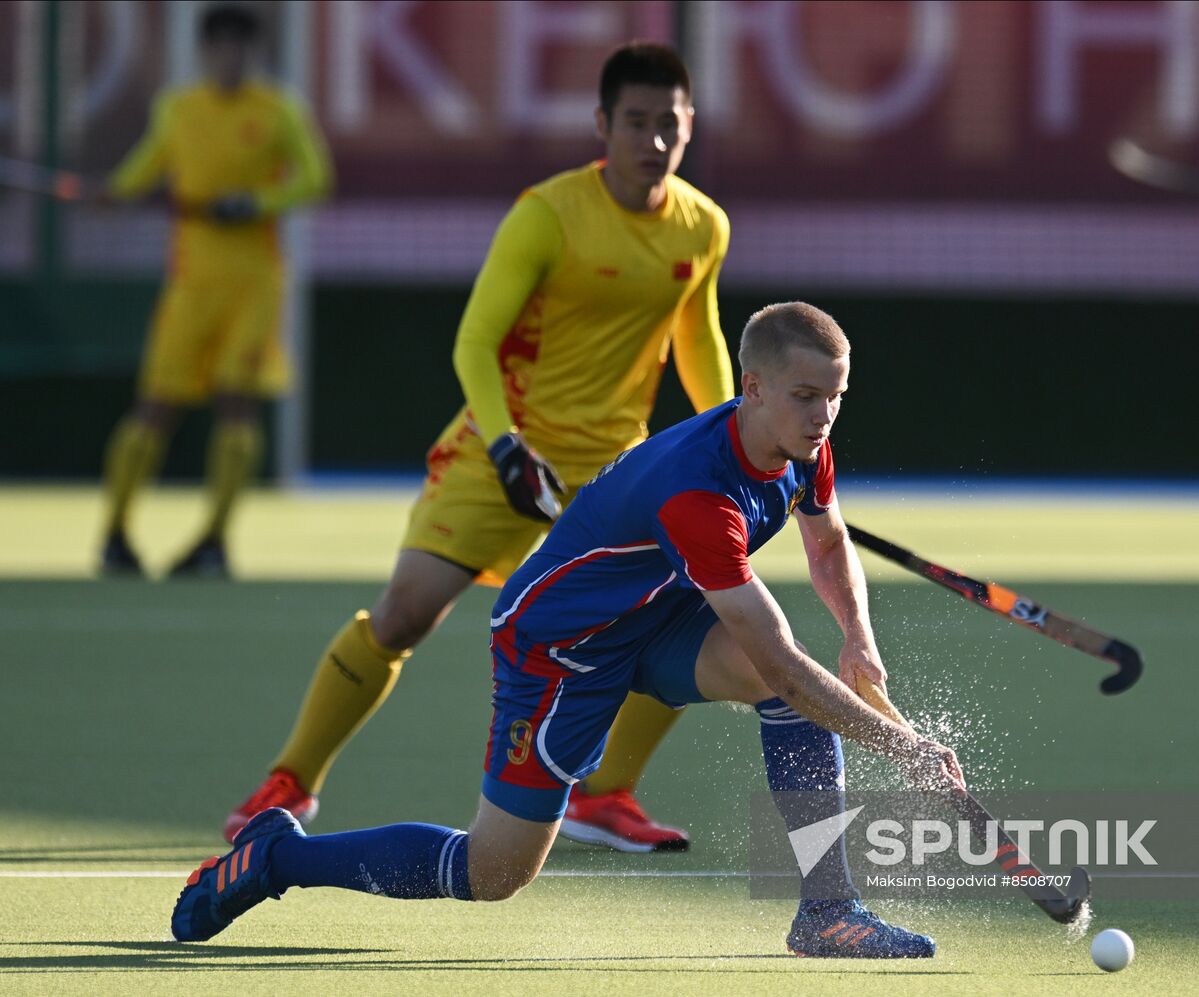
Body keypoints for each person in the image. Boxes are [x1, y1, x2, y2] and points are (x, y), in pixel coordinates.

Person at [172, 302, 965, 958]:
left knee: (769, 678)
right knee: (494, 869)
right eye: (805, 395)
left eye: (836, 395)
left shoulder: (800, 445)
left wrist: (859, 636)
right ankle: (279, 855)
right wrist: (907, 749)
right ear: (751, 388)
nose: (824, 414)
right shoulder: (701, 494)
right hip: (558, 647)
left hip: (650, 613)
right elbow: (789, 666)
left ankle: (827, 909)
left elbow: (827, 543)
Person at [222, 42, 734, 853]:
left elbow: (697, 340)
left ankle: (603, 797)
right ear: (604, 125)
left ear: (689, 125)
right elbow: (474, 342)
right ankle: (292, 779)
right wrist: (504, 448)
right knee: (403, 614)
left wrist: (731, 436)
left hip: (615, 469)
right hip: (506, 449)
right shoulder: (547, 213)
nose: (654, 139)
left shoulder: (703, 226)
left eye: (668, 123)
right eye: (635, 122)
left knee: (687, 607)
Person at [97, 3, 332, 579]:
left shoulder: (279, 112)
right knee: (154, 407)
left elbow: (315, 179)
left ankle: (214, 540)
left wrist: (257, 203)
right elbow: (143, 170)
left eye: (241, 47)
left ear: (253, 53)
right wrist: (112, 192)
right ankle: (115, 535)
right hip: (190, 285)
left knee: (237, 403)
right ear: (205, 52)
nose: (231, 57)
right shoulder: (178, 110)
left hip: (254, 284)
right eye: (221, 46)